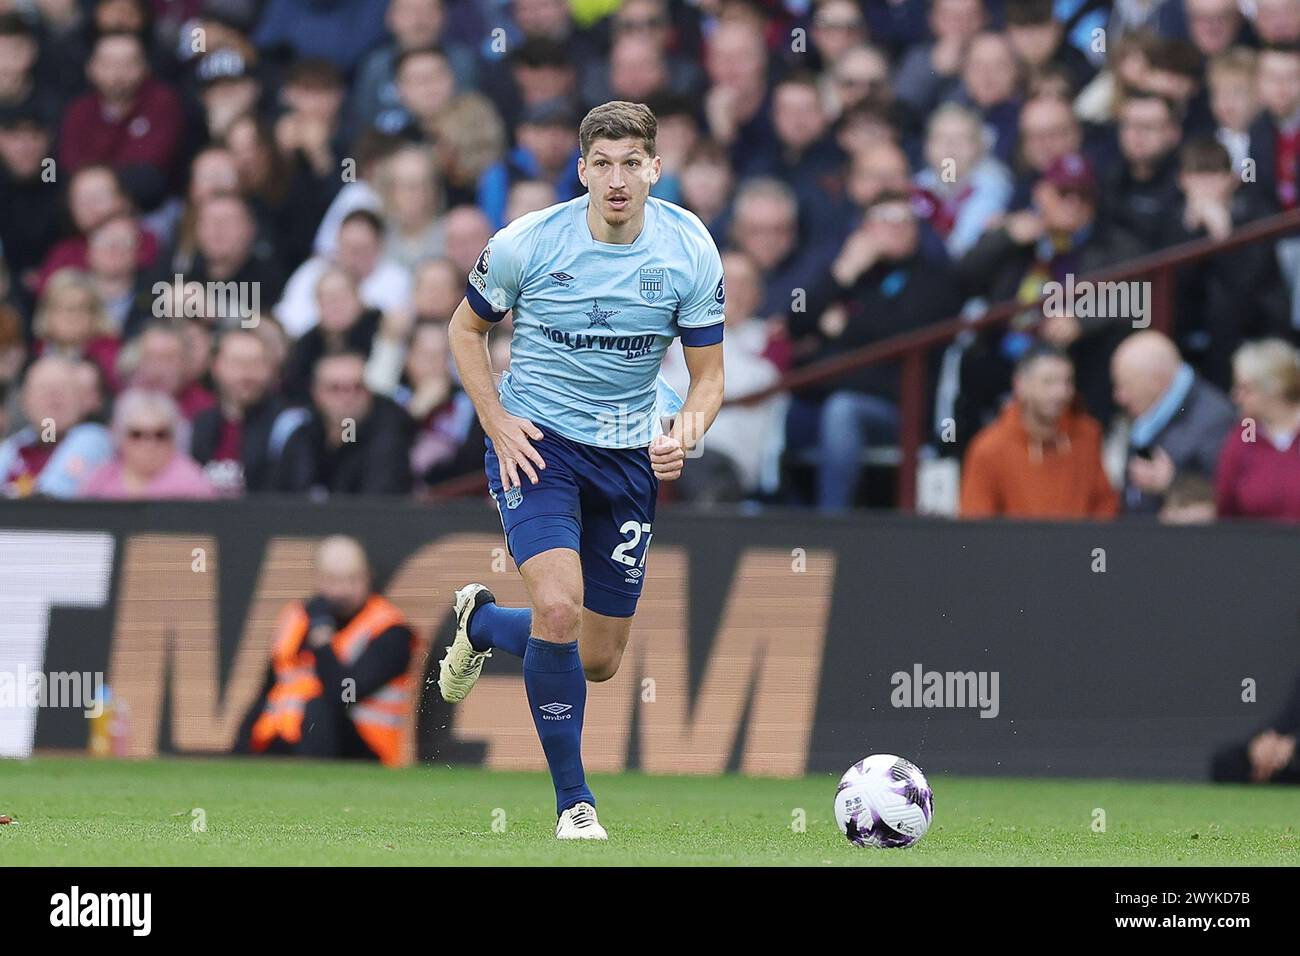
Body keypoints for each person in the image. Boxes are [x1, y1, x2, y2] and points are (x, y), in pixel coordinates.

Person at [441, 102, 726, 839]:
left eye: (633, 162)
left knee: (597, 659)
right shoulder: (528, 242)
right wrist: (497, 420)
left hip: (630, 456)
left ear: (656, 169)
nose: (617, 178)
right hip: (539, 444)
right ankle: (575, 804)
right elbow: (465, 329)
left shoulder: (689, 248)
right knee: (560, 610)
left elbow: (709, 376)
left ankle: (484, 624)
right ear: (582, 171)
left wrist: (685, 433)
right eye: (603, 163)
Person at [237, 535, 415, 765]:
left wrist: (322, 641)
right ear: (317, 578)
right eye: (333, 580)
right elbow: (268, 691)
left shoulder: (390, 631)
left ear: (368, 575)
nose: (344, 590)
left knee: (317, 708)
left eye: (353, 579)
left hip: (365, 753)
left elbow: (343, 695)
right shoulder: (295, 618)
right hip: (290, 737)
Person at [959, 344, 1118, 519]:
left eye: (1067, 381)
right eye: (1048, 382)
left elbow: (1105, 505)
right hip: (1014, 546)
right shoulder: (989, 448)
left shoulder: (1088, 435)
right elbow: (975, 524)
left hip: (1082, 545)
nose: (1061, 392)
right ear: (1020, 385)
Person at [1111, 330, 1236, 514]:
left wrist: (1173, 483)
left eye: (1126, 386)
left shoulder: (1216, 419)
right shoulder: (1148, 410)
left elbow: (1230, 497)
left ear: (1156, 380)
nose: (1119, 397)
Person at [0, 355, 113, 497]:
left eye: (63, 388)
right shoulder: (15, 445)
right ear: (24, 400)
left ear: (81, 399)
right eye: (43, 388)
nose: (53, 395)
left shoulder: (93, 439)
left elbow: (50, 498)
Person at [1216, 338, 1300, 520]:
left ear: (1275, 389)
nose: (1236, 397)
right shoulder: (1244, 435)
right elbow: (1224, 505)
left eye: (1246, 389)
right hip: (1255, 545)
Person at [80, 388, 216, 499]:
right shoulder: (102, 478)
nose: (149, 444)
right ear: (120, 436)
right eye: (136, 434)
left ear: (174, 437)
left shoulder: (192, 484)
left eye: (160, 434)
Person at [1212, 667, 1300, 783]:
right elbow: (1287, 717)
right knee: (1228, 762)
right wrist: (1265, 741)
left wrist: (1294, 746)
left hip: (1293, 753)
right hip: (1286, 759)